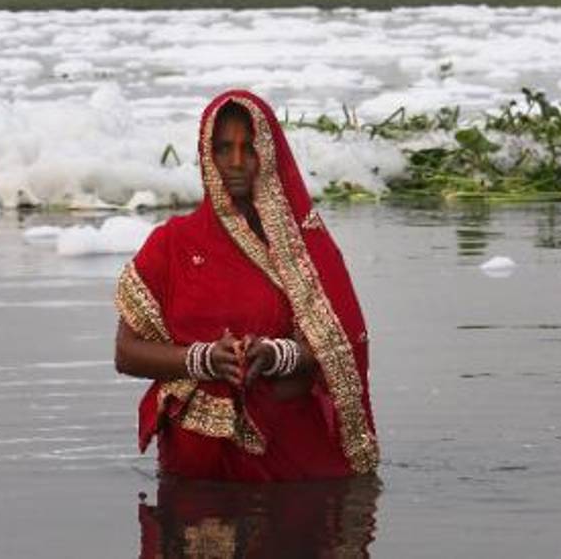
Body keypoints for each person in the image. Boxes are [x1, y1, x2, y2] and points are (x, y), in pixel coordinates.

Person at [113, 89, 378, 481]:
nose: (236, 162)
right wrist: (204, 359)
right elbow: (126, 352)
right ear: (207, 154)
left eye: (249, 148)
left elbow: (339, 346)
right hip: (194, 468)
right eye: (223, 148)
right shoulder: (171, 244)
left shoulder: (305, 250)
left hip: (288, 462)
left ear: (269, 155)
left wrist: (273, 355)